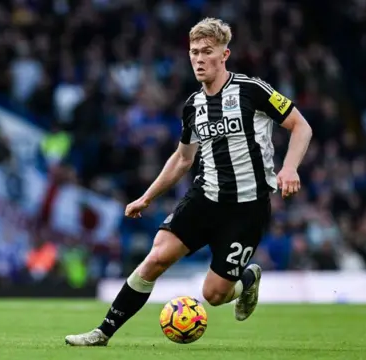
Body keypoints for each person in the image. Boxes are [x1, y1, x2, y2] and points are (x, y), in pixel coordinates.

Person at [65, 17, 312, 346]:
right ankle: (102, 332)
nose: (198, 58)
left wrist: (290, 168)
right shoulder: (193, 105)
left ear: (224, 55)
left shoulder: (252, 90)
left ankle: (246, 280)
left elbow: (301, 126)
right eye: (193, 51)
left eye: (206, 51)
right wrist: (147, 197)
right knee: (156, 257)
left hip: (247, 210)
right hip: (205, 199)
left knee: (214, 294)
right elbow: (183, 158)